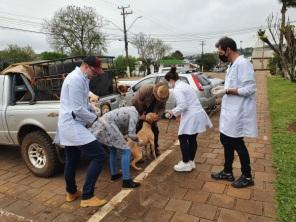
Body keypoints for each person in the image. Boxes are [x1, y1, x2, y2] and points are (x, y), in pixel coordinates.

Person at [54, 56, 106, 208]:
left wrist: (92, 108)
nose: (95, 75)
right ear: (86, 67)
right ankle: (88, 196)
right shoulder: (76, 79)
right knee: (99, 155)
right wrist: (95, 119)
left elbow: (83, 102)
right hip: (72, 124)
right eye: (94, 72)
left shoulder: (83, 78)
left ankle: (71, 192)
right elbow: (77, 109)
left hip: (71, 123)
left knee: (72, 157)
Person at [211, 37, 257, 188]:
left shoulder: (243, 64)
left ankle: (247, 176)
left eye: (220, 51)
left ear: (228, 50)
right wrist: (223, 90)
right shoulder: (232, 65)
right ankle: (227, 171)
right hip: (229, 112)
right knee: (225, 140)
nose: (220, 54)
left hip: (238, 112)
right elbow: (232, 86)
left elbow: (250, 89)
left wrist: (227, 90)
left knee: (237, 143)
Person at [165, 67, 212, 172]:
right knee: (192, 138)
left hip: (192, 115)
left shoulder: (177, 89)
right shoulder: (184, 84)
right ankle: (191, 161)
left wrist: (172, 112)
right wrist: (178, 113)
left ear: (171, 80)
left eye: (168, 82)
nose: (168, 84)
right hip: (197, 113)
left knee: (182, 137)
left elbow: (183, 105)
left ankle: (185, 162)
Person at [89, 106, 141, 188]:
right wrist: (138, 140)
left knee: (112, 150)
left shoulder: (129, 109)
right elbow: (131, 134)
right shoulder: (135, 113)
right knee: (126, 151)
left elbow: (121, 129)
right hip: (108, 126)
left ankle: (114, 174)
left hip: (101, 126)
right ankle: (126, 181)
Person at [132, 82, 169, 157]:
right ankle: (136, 151)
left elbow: (162, 108)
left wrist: (158, 116)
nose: (159, 99)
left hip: (152, 114)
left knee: (155, 131)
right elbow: (135, 102)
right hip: (140, 110)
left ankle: (155, 148)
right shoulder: (145, 89)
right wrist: (140, 115)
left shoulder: (164, 95)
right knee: (137, 130)